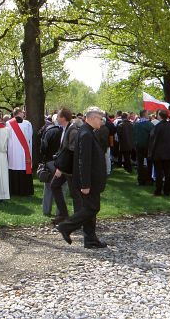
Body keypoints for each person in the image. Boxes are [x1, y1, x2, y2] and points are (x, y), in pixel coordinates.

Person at [55, 107, 108, 249]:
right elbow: (83, 161)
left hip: (91, 180)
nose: (101, 121)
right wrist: (85, 184)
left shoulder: (88, 132)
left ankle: (90, 239)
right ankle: (66, 226)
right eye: (100, 118)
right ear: (91, 118)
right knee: (92, 208)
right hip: (88, 181)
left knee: (90, 209)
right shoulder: (86, 134)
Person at [51, 108, 79, 224]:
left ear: (63, 118)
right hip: (65, 167)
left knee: (75, 194)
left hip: (70, 169)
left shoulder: (72, 130)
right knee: (54, 185)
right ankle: (63, 214)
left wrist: (60, 168)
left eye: (58, 116)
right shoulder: (64, 129)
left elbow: (72, 152)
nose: (56, 118)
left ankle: (77, 220)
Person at [148, 110, 170, 196]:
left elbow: (153, 141)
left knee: (159, 173)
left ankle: (158, 190)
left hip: (158, 154)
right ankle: (167, 191)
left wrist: (151, 153)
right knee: (168, 173)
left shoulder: (157, 127)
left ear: (159, 116)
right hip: (169, 153)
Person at [6, 107, 33, 196]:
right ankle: (25, 190)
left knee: (13, 167)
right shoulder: (27, 124)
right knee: (23, 167)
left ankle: (13, 190)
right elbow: (29, 137)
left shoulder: (8, 124)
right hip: (24, 151)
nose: (23, 114)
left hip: (12, 151)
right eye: (22, 112)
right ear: (19, 113)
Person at [133, 110, 153, 186]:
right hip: (147, 147)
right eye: (148, 114)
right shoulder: (149, 124)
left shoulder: (136, 124)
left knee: (140, 164)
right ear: (145, 115)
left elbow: (133, 136)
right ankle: (148, 179)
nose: (149, 115)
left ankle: (140, 180)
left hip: (138, 146)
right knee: (149, 163)